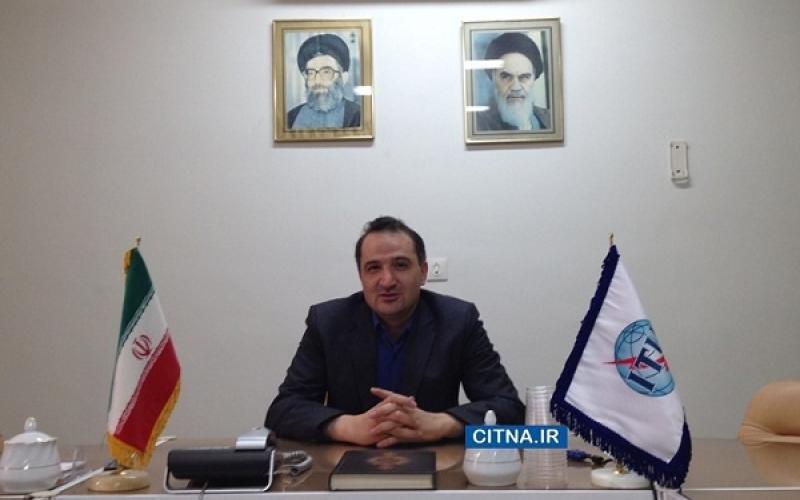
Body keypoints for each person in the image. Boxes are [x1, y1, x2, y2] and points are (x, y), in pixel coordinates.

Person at [265, 216, 524, 447]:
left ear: (423, 272)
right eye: (373, 268)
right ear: (361, 276)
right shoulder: (327, 322)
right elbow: (283, 411)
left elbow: (509, 409)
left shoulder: (458, 320)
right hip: (347, 463)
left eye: (400, 265)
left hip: (436, 462)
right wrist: (347, 426)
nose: (387, 281)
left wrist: (441, 423)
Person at [475, 32, 551, 132]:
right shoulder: (478, 124)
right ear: (493, 78)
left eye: (524, 77)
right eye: (506, 77)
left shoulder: (550, 118)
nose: (515, 87)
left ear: (534, 78)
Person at [288, 33, 361, 129]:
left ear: (344, 78)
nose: (317, 81)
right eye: (311, 73)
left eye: (326, 72)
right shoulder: (291, 117)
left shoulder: (358, 117)